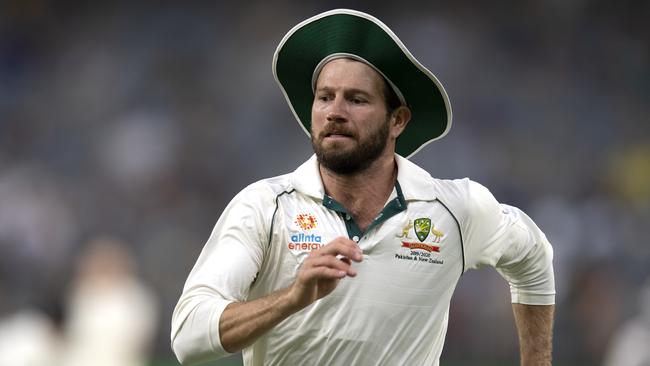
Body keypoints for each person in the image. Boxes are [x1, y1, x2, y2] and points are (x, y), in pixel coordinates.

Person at [171, 9, 555, 366]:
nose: (334, 112)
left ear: (398, 121)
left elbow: (534, 258)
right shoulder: (264, 207)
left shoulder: (456, 210)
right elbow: (188, 335)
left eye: (356, 99)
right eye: (324, 97)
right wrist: (291, 298)